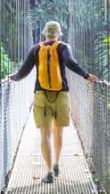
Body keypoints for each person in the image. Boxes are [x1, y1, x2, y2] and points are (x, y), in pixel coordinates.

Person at [9, 20, 97, 183]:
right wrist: (86, 75)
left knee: (44, 134)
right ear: (58, 34)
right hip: (61, 94)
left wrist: (13, 78)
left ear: (44, 34)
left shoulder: (36, 49)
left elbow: (24, 71)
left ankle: (49, 172)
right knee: (58, 131)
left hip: (41, 94)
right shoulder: (63, 47)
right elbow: (70, 63)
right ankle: (57, 163)